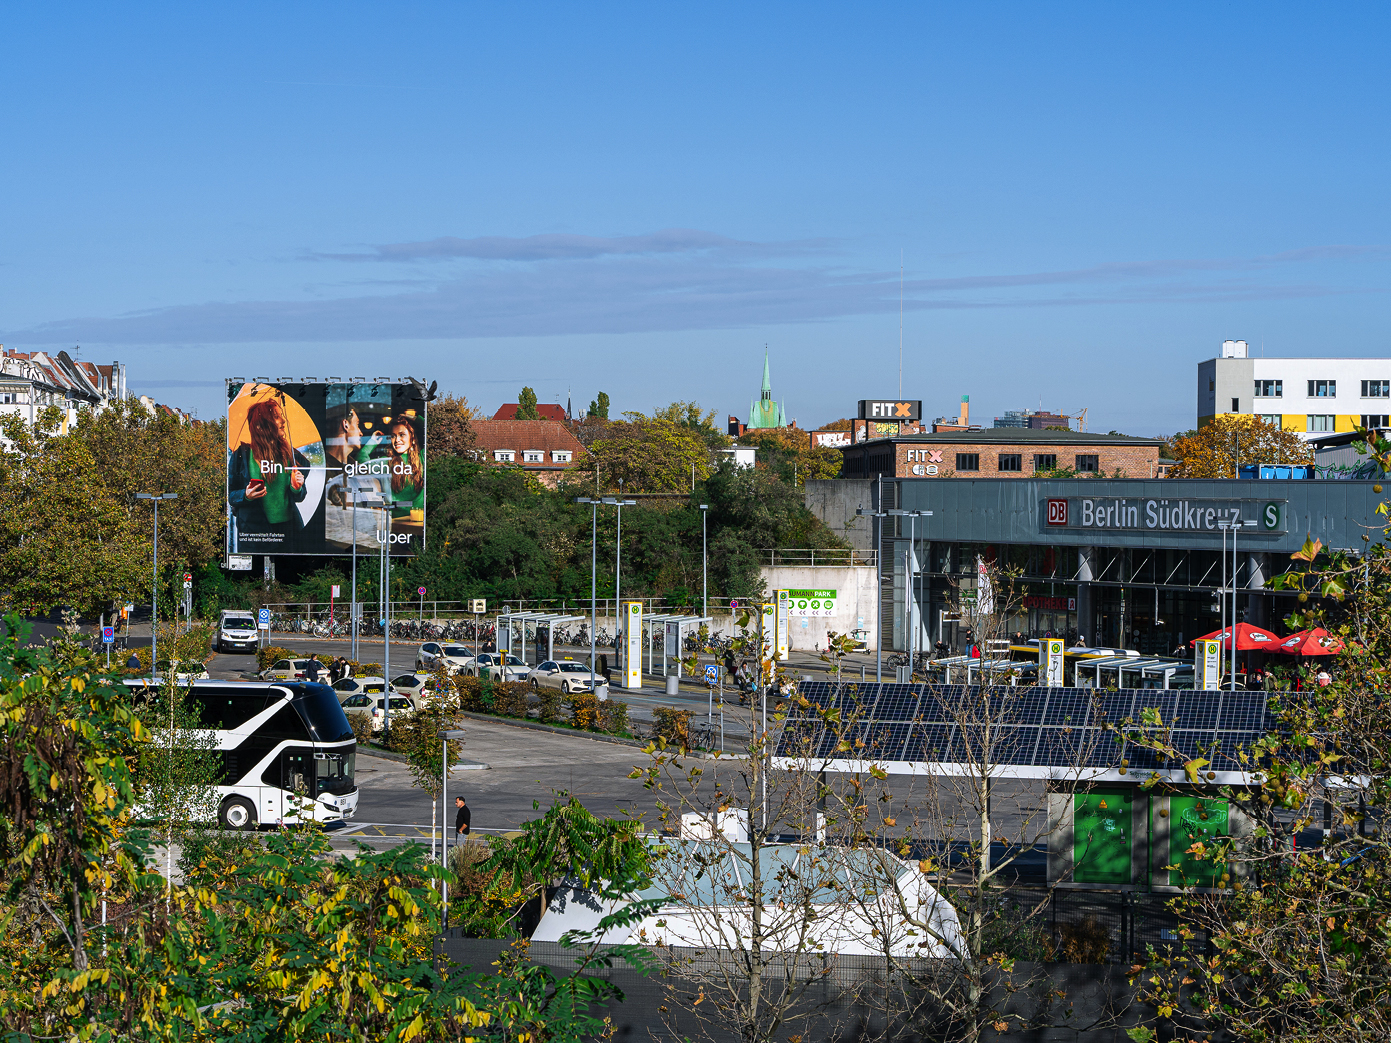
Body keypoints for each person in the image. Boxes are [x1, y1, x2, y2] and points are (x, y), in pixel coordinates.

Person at [229, 396, 310, 537]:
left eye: (281, 416)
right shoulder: (241, 456)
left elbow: (299, 497)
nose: (283, 421)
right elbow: (231, 495)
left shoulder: (290, 454)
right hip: (254, 535)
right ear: (263, 424)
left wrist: (297, 488)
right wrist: (246, 495)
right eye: (276, 417)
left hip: (289, 533)